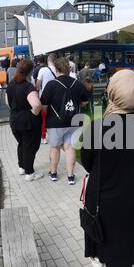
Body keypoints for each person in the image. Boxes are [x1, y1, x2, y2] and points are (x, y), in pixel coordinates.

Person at [81, 69, 134, 267]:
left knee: (102, 222)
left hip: (103, 190)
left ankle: (99, 257)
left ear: (114, 92)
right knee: (125, 227)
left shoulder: (98, 128)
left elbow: (87, 162)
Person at [40, 57, 89, 185]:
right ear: (69, 68)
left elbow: (43, 106)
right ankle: (70, 176)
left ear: (56, 69)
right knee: (70, 148)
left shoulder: (51, 84)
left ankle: (54, 173)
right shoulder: (77, 83)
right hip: (74, 120)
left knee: (55, 147)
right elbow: (85, 102)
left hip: (55, 122)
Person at [6, 60, 43, 181]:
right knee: (29, 147)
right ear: (30, 72)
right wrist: (32, 113)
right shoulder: (28, 87)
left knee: (21, 144)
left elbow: (7, 102)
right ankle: (29, 173)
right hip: (27, 122)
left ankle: (21, 167)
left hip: (14, 119)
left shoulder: (11, 84)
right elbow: (37, 105)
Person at [36, 53, 57, 145]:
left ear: (47, 60)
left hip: (44, 98)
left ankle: (43, 137)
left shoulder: (43, 70)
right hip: (56, 97)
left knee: (43, 119)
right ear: (55, 60)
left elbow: (37, 85)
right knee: (55, 117)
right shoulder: (58, 70)